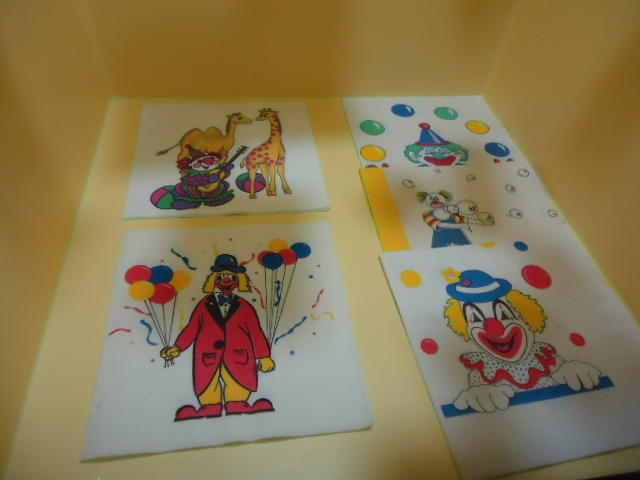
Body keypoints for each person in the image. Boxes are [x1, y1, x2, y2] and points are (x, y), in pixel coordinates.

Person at [161, 254, 275, 420]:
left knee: (238, 381)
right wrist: (178, 347)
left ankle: (238, 403)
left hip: (238, 355)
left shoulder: (245, 306)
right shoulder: (204, 305)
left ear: (238, 281)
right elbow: (192, 328)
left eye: (231, 277)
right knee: (208, 382)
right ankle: (209, 406)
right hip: (208, 355)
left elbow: (256, 332)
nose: (226, 282)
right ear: (214, 280)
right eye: (221, 277)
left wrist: (264, 356)